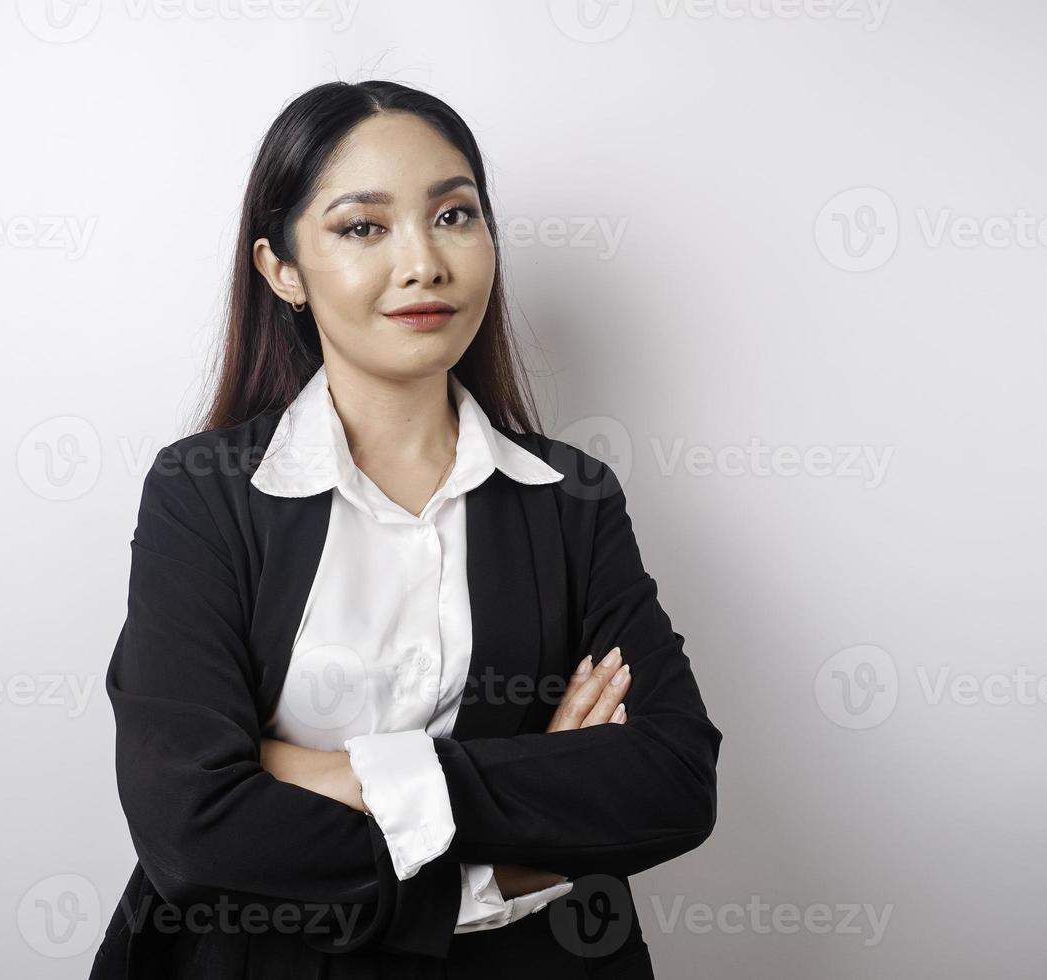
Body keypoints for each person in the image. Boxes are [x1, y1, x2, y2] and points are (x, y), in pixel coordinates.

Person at [91, 79, 722, 979]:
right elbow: (190, 829)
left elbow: (671, 781)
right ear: (282, 270)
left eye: (454, 216)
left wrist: (339, 773)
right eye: (362, 227)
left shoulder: (570, 498)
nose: (424, 263)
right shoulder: (204, 494)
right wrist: (508, 851)